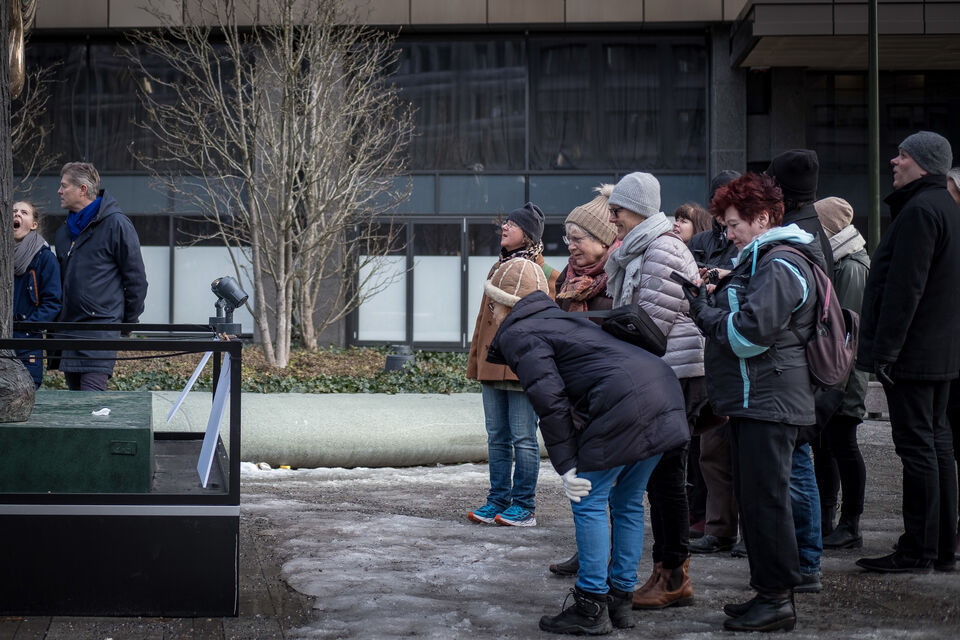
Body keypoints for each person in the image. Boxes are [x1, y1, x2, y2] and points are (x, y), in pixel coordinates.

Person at [485, 258, 689, 635]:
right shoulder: (558, 319)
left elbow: (549, 401)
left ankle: (591, 605)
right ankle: (620, 600)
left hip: (624, 403)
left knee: (589, 500)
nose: (490, 313)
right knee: (627, 501)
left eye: (492, 303)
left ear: (507, 302)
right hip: (663, 392)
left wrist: (567, 467)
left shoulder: (520, 332)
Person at [685, 172, 819, 632]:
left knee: (767, 504)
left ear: (762, 218)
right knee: (758, 502)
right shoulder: (766, 259)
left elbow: (749, 335)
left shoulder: (780, 263)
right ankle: (768, 592)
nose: (728, 234)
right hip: (758, 399)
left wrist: (704, 313)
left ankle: (777, 599)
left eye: (734, 224)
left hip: (768, 401)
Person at [856, 131, 960, 574]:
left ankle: (919, 549)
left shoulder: (920, 210)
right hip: (938, 353)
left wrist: (886, 352)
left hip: (915, 355)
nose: (894, 162)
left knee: (919, 449)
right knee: (936, 446)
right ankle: (942, 547)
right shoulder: (945, 207)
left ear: (923, 162)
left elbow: (905, 290)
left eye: (902, 155)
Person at [604, 172, 707, 610]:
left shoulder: (661, 248)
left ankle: (673, 574)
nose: (612, 218)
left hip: (674, 376)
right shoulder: (644, 247)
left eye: (617, 210)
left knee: (667, 478)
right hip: (666, 373)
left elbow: (650, 324)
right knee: (663, 478)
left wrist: (606, 341)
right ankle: (668, 571)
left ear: (638, 210)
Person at [465, 202, 558, 528]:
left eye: (512, 224)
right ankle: (497, 500)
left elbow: (551, 328)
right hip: (492, 367)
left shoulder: (548, 275)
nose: (504, 227)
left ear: (528, 235)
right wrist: (477, 362)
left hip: (523, 371)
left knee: (523, 438)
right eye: (505, 222)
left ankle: (524, 506)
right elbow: (483, 323)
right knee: (496, 437)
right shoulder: (497, 268)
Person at [547, 186, 618, 577]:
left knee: (610, 484)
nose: (571, 246)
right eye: (568, 238)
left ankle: (607, 559)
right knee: (581, 477)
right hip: (577, 389)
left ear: (604, 240)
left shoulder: (618, 276)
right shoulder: (569, 278)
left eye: (579, 238)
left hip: (610, 391)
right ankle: (588, 548)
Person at [53, 162, 148, 391]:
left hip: (99, 331)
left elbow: (136, 281)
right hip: (69, 331)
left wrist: (125, 323)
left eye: (64, 185)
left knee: (91, 402)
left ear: (83, 189)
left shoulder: (116, 224)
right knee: (77, 403)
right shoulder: (64, 232)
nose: (59, 191)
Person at [810, 197, 871, 550]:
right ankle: (826, 519)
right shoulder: (837, 261)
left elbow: (846, 330)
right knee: (825, 448)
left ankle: (851, 524)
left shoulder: (851, 267)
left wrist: (834, 384)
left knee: (844, 447)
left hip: (843, 377)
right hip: (833, 375)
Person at [689, 169, 743, 556]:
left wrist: (725, 276)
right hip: (709, 352)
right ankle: (719, 528)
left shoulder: (755, 244)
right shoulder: (702, 242)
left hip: (740, 353)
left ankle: (752, 534)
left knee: (749, 453)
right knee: (711, 450)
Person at [12, 200, 61, 387]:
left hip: (27, 343)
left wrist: (27, 327)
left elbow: (52, 303)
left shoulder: (45, 258)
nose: (17, 214)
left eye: (24, 212)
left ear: (33, 225)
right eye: (14, 211)